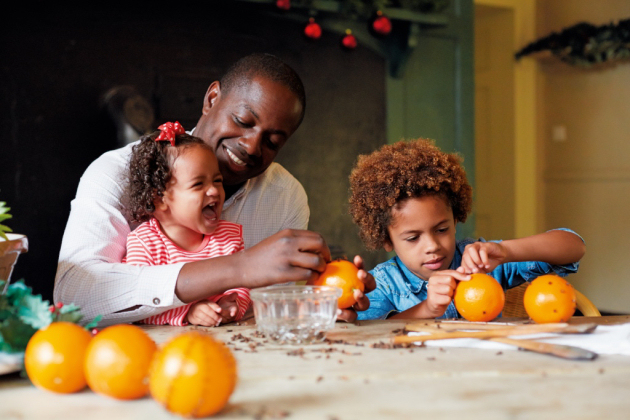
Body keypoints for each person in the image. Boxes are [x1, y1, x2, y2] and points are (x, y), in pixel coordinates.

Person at [55, 53, 374, 326]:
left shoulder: (285, 196)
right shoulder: (116, 174)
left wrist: (325, 300)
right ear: (211, 100)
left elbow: (270, 309)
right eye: (243, 120)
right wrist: (239, 267)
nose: (251, 146)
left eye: (272, 142)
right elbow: (73, 298)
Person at [348, 138, 586, 320]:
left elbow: (574, 246)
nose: (432, 246)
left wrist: (506, 251)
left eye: (441, 229)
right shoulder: (383, 283)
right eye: (412, 238)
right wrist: (427, 309)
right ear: (386, 239)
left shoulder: (482, 263)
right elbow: (370, 334)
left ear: (455, 219)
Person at [124, 123, 249, 327]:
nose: (215, 191)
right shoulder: (145, 244)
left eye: (217, 181)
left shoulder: (229, 237)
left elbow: (243, 283)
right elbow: (136, 307)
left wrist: (234, 304)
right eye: (198, 184)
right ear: (159, 199)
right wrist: (187, 313)